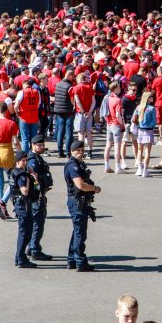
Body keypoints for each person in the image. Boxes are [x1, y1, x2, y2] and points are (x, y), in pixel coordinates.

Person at [65, 140, 101, 272]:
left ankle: (72, 259)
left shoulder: (78, 164)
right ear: (71, 151)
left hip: (80, 201)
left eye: (82, 150)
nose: (80, 153)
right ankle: (80, 261)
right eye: (77, 151)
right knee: (80, 233)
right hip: (77, 201)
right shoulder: (72, 166)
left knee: (77, 231)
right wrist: (94, 188)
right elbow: (80, 185)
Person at [25, 134, 54, 261]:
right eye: (39, 145)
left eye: (43, 145)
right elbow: (33, 178)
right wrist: (39, 193)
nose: (42, 147)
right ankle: (35, 250)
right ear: (33, 145)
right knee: (38, 224)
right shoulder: (33, 160)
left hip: (38, 196)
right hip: (36, 198)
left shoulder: (37, 158)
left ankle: (30, 247)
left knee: (36, 223)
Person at [9, 150, 39, 268]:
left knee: (25, 232)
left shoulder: (15, 172)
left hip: (21, 205)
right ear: (17, 161)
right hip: (23, 206)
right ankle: (21, 259)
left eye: (26, 160)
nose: (25, 163)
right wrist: (29, 179)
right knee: (25, 233)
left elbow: (36, 186)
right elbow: (25, 191)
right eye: (23, 161)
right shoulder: (22, 175)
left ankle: (19, 257)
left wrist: (34, 178)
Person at [101, 81, 125, 174]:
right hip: (116, 123)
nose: (120, 89)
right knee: (117, 147)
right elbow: (118, 114)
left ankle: (106, 166)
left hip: (109, 123)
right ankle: (117, 167)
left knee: (108, 146)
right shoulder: (118, 100)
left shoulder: (107, 97)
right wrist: (122, 124)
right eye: (119, 87)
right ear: (115, 88)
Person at [134, 91, 157, 178]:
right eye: (151, 96)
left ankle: (139, 168)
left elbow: (134, 119)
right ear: (147, 98)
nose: (152, 97)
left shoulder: (138, 107)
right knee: (147, 151)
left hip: (140, 130)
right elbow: (154, 122)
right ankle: (145, 170)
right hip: (149, 131)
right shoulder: (152, 108)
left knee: (140, 150)